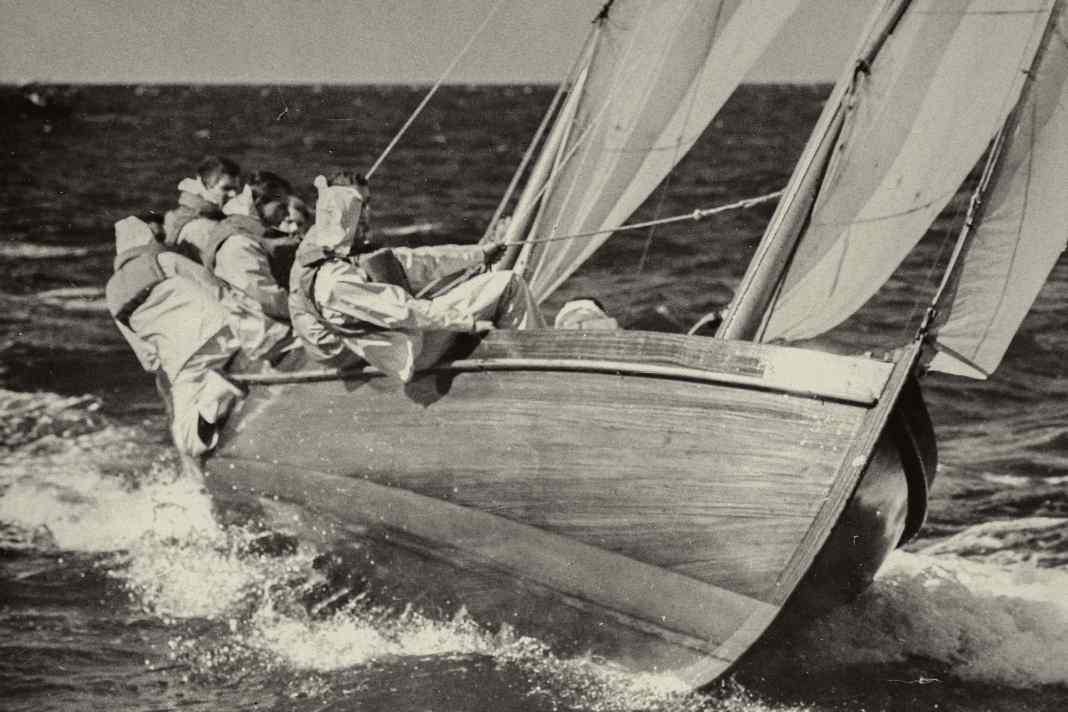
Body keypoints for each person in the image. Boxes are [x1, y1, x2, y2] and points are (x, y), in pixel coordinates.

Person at [289, 173, 545, 381]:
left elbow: (419, 262)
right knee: (508, 283)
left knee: (475, 287)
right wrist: (468, 323)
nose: (366, 215)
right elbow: (404, 310)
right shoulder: (336, 280)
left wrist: (479, 254)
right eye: (358, 210)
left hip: (406, 341)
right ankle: (539, 368)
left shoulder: (332, 261)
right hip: (413, 350)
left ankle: (521, 363)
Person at [106, 216, 289, 455]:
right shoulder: (165, 259)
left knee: (186, 439)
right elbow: (215, 287)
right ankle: (226, 390)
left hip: (182, 357)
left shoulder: (112, 293)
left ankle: (218, 393)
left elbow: (148, 359)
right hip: (222, 331)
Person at [199, 171, 301, 321]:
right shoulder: (238, 243)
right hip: (260, 327)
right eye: (282, 206)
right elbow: (270, 300)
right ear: (258, 203)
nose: (288, 214)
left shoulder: (237, 228)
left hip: (262, 319)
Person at [162, 155, 242, 260]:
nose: (233, 194)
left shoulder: (180, 214)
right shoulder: (202, 228)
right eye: (226, 188)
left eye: (236, 189)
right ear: (204, 185)